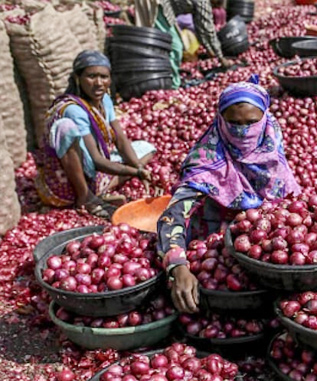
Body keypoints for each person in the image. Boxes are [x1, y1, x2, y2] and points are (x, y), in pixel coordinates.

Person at [157, 76, 301, 313]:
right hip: (213, 258)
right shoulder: (206, 159)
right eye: (234, 122)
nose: (243, 133)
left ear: (265, 120)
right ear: (220, 119)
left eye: (251, 122)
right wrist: (178, 266)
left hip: (266, 258)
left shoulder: (272, 156)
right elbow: (173, 216)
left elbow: (292, 211)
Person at [35, 51, 155, 219]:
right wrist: (135, 173)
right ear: (78, 78)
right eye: (91, 76)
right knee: (65, 127)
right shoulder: (73, 109)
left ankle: (100, 189)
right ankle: (85, 196)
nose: (99, 83)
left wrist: (139, 168)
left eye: (104, 77)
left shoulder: (104, 99)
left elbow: (120, 139)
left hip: (94, 164)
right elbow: (97, 161)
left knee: (147, 148)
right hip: (66, 180)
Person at [133, 0, 233, 89]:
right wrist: (220, 57)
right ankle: (172, 85)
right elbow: (208, 30)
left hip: (164, 8)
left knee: (162, 44)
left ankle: (158, 77)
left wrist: (209, 48)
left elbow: (200, 28)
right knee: (175, 46)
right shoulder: (203, 2)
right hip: (158, 4)